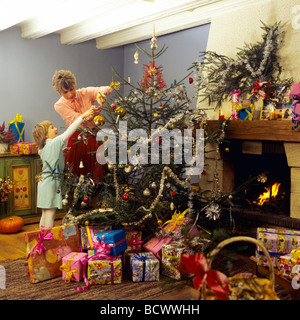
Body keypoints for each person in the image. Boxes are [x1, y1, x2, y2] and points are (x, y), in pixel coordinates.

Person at [32, 107, 97, 228]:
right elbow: (69, 132)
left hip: (43, 183)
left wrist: (61, 153)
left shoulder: (42, 147)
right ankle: (48, 240)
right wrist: (82, 117)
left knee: (45, 214)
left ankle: (42, 240)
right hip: (51, 183)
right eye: (52, 127)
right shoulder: (54, 142)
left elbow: (49, 157)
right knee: (51, 215)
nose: (55, 128)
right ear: (45, 135)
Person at [52, 70, 112, 180]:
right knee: (75, 173)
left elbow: (107, 89)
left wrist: (101, 95)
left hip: (94, 137)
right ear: (59, 92)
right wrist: (88, 115)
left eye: (71, 89)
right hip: (77, 139)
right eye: (65, 92)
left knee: (98, 172)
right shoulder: (59, 105)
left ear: (74, 85)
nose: (70, 94)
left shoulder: (85, 92)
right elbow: (77, 119)